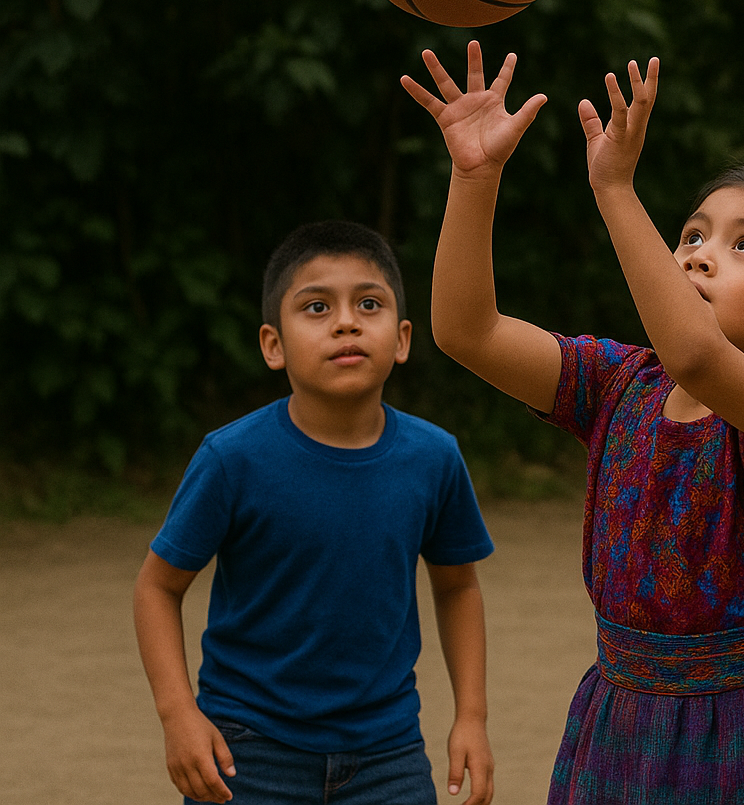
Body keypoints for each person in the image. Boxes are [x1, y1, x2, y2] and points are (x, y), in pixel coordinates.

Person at [402, 41, 744, 803]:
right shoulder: (620, 385)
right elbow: (465, 331)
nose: (702, 256)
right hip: (619, 722)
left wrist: (614, 188)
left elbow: (700, 356)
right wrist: (474, 177)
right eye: (694, 236)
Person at [133, 221, 496, 805]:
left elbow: (457, 588)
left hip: (390, 753)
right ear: (273, 345)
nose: (346, 321)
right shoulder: (232, 459)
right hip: (247, 751)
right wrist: (178, 717)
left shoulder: (434, 458)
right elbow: (157, 587)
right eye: (317, 306)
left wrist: (471, 717)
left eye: (368, 303)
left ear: (402, 339)